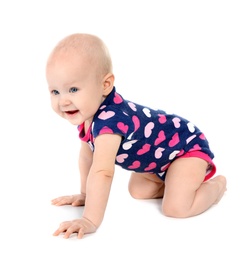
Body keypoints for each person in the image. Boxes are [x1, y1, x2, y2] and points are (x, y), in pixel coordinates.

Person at [46, 33, 227, 239]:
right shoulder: (89, 116)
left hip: (185, 148)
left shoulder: (110, 120)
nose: (63, 101)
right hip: (159, 161)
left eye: (73, 89)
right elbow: (87, 158)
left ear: (105, 85)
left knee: (176, 208)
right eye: (55, 92)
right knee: (139, 192)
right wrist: (85, 195)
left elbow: (102, 171)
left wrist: (89, 219)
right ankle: (177, 182)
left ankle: (217, 185)